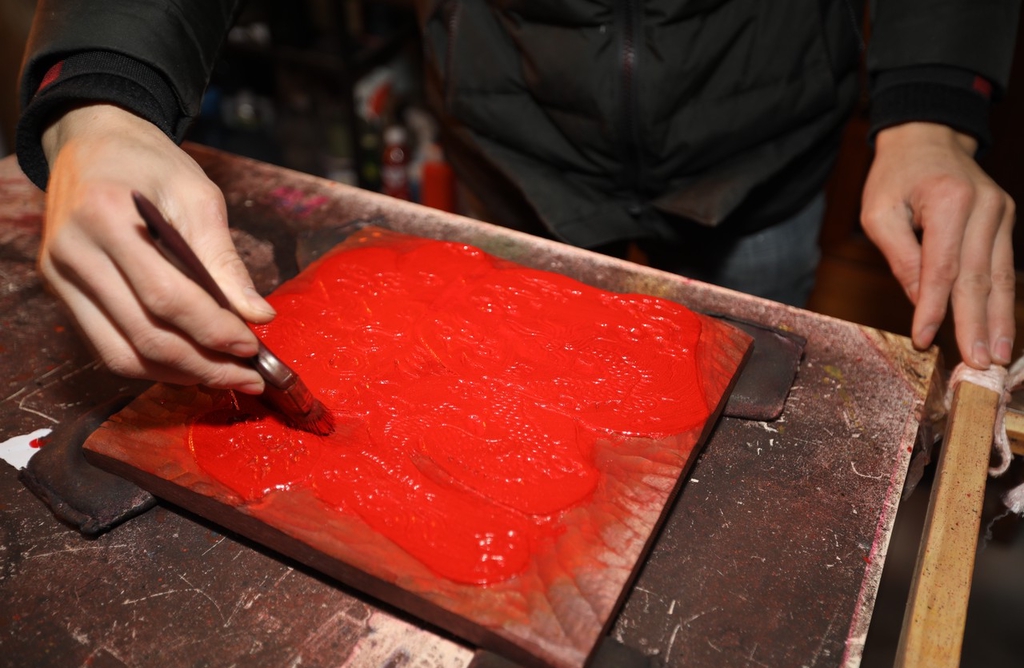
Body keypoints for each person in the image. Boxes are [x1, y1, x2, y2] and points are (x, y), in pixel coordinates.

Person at [16, 0, 1019, 395]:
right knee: (519, 397)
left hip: (760, 150)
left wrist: (930, 102)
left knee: (743, 401)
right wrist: (106, 87)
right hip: (514, 143)